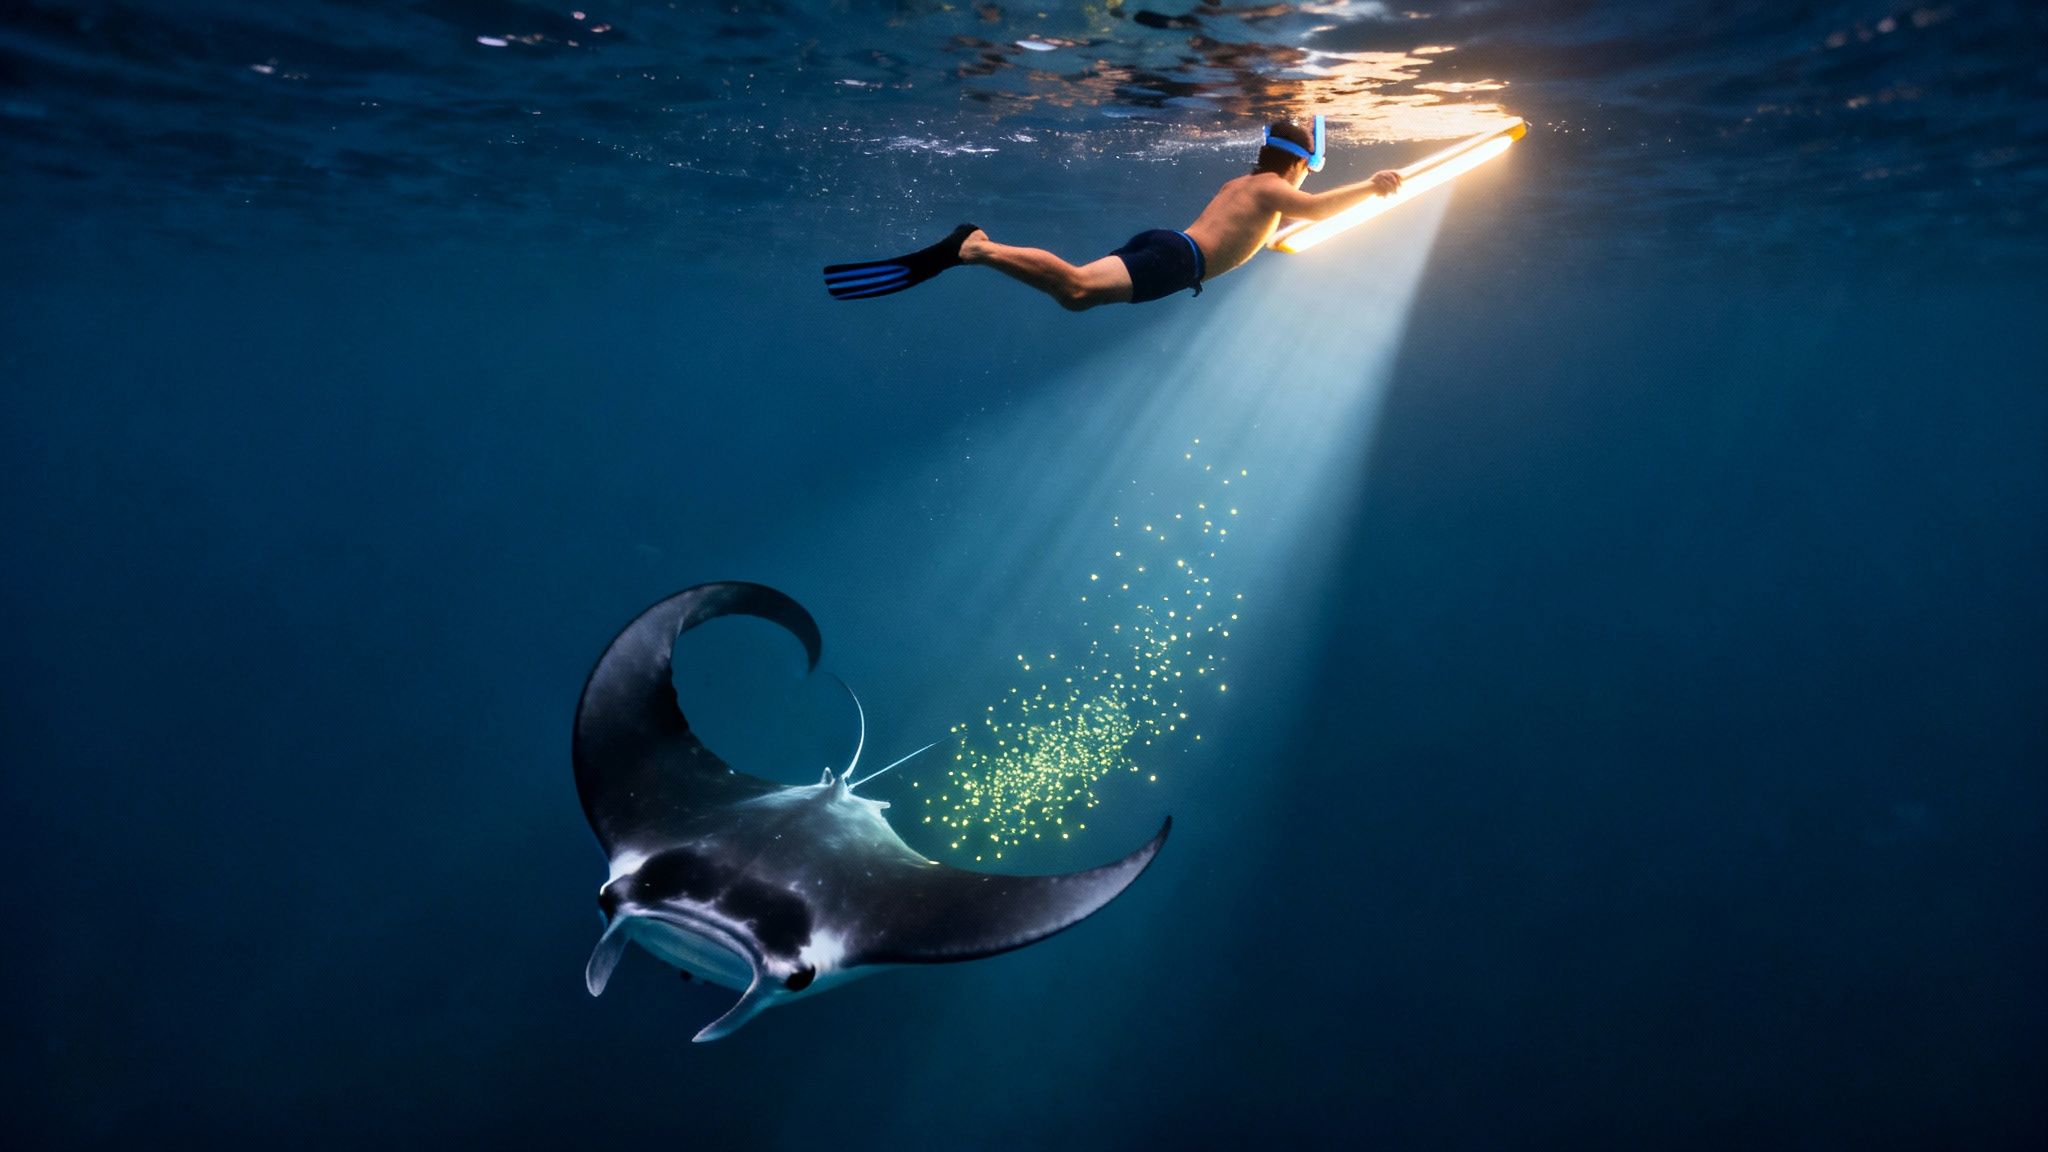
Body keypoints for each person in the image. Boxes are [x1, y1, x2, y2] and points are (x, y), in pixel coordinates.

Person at [821, 118, 1403, 309]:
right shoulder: (1273, 189)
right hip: (1179, 260)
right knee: (1075, 288)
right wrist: (1373, 187)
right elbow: (1317, 209)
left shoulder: (1247, 182)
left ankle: (978, 248)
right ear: (1299, 164)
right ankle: (976, 246)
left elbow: (1289, 203)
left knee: (1075, 293)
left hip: (1170, 244)